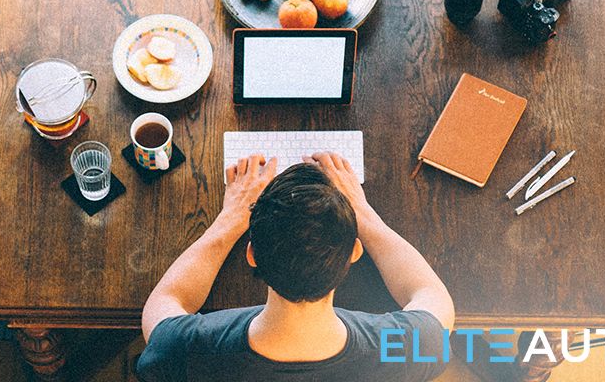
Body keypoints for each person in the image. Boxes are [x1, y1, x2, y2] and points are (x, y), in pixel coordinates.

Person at [136, 152, 455, 381]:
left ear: (252, 256)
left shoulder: (184, 351)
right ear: (354, 253)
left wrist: (229, 220)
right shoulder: (410, 349)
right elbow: (432, 297)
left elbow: (164, 303)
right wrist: (364, 215)